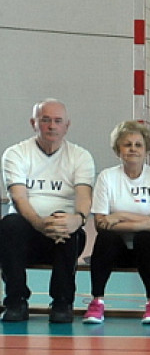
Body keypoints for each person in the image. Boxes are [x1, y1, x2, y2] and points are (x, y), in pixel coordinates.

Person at [0, 99, 95, 323]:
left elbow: (83, 197)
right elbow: (19, 198)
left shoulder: (81, 156)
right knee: (9, 224)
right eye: (45, 120)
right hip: (26, 233)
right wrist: (41, 224)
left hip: (62, 236)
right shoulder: (15, 154)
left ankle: (62, 302)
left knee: (68, 226)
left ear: (66, 126)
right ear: (34, 123)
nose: (52, 126)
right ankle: (16, 301)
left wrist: (77, 219)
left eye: (57, 121)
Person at [84, 121, 150, 325]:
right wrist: (144, 221)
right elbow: (100, 224)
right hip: (118, 251)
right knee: (106, 238)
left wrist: (121, 215)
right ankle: (97, 301)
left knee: (145, 238)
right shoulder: (107, 177)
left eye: (138, 145)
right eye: (127, 144)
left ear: (146, 149)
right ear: (118, 150)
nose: (133, 149)